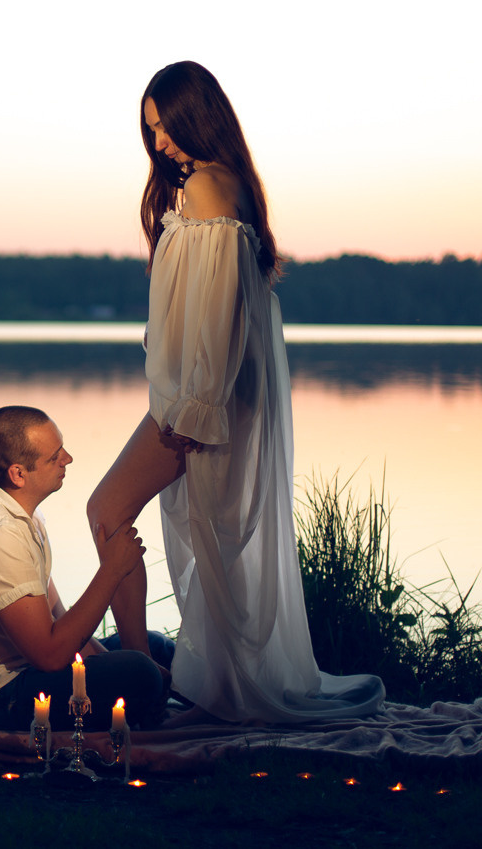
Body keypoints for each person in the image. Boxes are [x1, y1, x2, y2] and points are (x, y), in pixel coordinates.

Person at [86, 61, 385, 724]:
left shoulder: (209, 188)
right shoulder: (223, 184)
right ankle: (157, 676)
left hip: (200, 402)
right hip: (200, 396)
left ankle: (141, 683)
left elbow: (219, 316)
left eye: (166, 126)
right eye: (150, 130)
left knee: (108, 509)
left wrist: (195, 407)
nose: (159, 143)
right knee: (188, 537)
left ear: (198, 115)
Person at [0, 405, 168, 731]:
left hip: (26, 669)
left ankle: (151, 694)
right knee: (140, 673)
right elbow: (51, 655)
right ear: (18, 474)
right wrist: (112, 570)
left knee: (155, 647)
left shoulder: (24, 518)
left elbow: (59, 622)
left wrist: (111, 659)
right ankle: (149, 702)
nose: (68, 458)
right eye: (54, 457)